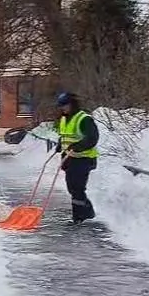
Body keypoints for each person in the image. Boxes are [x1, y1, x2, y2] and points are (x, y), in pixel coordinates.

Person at [53, 91, 99, 223]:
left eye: (65, 105)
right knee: (72, 187)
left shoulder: (84, 119)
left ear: (72, 104)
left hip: (84, 158)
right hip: (71, 158)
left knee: (77, 188)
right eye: (61, 106)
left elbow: (92, 139)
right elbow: (66, 136)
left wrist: (77, 146)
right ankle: (88, 212)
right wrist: (60, 145)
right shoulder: (64, 119)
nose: (62, 108)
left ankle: (79, 217)